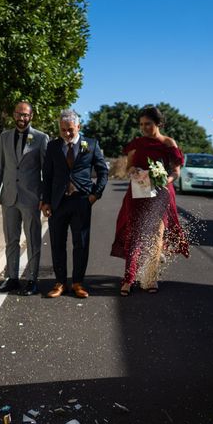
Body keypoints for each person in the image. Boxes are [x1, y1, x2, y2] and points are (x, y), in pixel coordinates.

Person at [111, 106, 189, 295]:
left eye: (148, 124)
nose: (144, 128)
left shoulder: (169, 143)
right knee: (135, 234)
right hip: (138, 193)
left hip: (161, 194)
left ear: (158, 123)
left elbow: (176, 172)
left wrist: (162, 181)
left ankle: (150, 278)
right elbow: (128, 168)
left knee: (156, 237)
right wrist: (137, 173)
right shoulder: (136, 143)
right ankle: (128, 279)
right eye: (141, 124)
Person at [41, 109, 108, 298]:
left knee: (81, 244)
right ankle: (60, 283)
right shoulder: (53, 146)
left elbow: (103, 172)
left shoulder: (91, 145)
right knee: (57, 244)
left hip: (81, 201)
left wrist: (95, 195)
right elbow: (47, 176)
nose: (67, 134)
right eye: (63, 130)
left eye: (70, 130)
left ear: (78, 126)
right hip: (58, 203)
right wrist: (45, 201)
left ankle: (78, 282)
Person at [0, 102, 49, 296]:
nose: (21, 118)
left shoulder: (41, 138)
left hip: (31, 198)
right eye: (18, 114)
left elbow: (46, 172)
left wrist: (43, 196)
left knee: (32, 240)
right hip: (9, 197)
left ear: (31, 116)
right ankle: (12, 278)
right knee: (11, 240)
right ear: (14, 115)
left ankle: (32, 279)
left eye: (25, 115)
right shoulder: (5, 137)